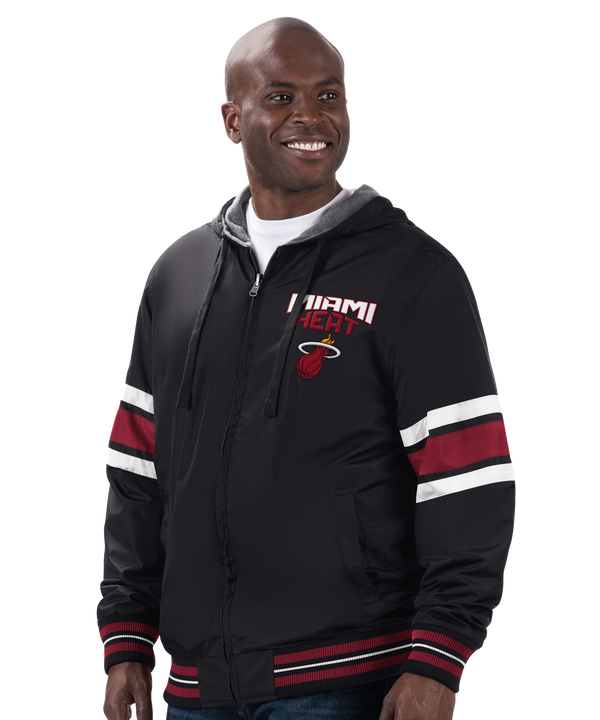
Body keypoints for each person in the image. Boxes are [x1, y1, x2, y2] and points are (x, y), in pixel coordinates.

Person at [98, 14, 516, 720]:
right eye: (281, 97)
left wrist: (440, 658)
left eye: (329, 95)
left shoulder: (414, 273)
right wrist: (126, 635)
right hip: (197, 684)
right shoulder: (177, 274)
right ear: (232, 120)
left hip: (349, 677)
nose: (311, 117)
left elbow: (470, 480)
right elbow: (136, 476)